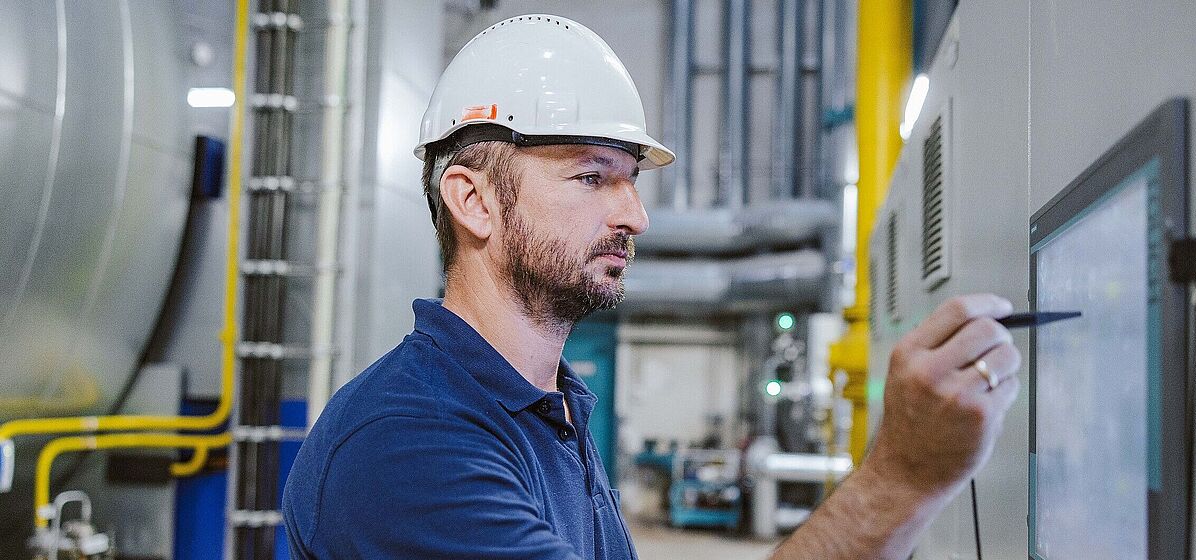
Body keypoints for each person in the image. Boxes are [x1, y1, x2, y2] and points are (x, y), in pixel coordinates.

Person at [282, 14, 1021, 560]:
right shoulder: (407, 447)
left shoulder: (550, 411)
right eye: (591, 176)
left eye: (631, 181)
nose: (634, 214)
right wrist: (901, 480)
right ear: (472, 200)